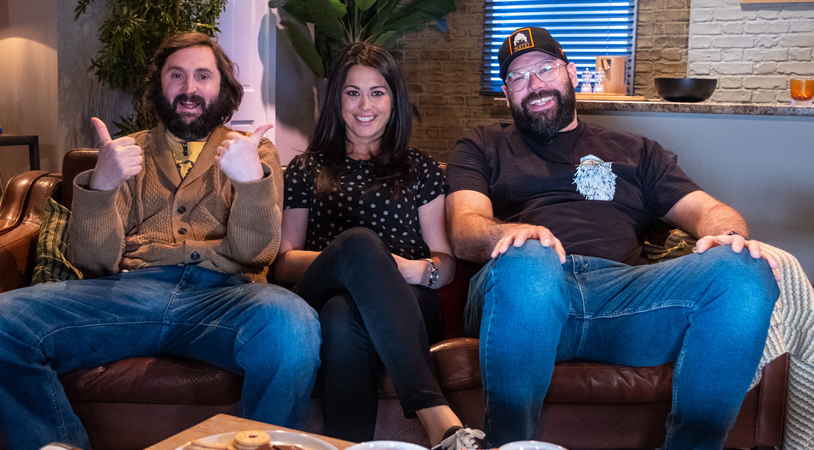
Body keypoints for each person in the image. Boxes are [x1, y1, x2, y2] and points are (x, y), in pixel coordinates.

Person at [0, 32, 321, 450]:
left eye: (203, 76)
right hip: (127, 295)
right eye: (176, 75)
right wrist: (102, 185)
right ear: (159, 86)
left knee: (293, 325)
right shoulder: (130, 151)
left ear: (223, 89)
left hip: (224, 300)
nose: (189, 88)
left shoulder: (255, 151)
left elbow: (256, 255)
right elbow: (94, 263)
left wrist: (250, 181)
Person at [445, 26, 781, 449]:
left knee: (746, 271)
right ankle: (510, 444)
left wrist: (727, 236)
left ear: (569, 72)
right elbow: (464, 227)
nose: (534, 85)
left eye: (545, 69)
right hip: (521, 292)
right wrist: (514, 234)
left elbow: (709, 210)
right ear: (507, 93)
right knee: (530, 258)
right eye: (517, 77)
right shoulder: (482, 144)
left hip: (625, 298)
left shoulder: (636, 150)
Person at [273, 42, 485, 450]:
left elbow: (446, 262)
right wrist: (352, 259)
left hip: (407, 302)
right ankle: (437, 418)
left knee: (342, 316)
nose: (364, 104)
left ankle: (345, 447)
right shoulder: (306, 167)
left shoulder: (419, 168)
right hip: (320, 290)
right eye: (352, 92)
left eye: (377, 92)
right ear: (337, 100)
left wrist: (407, 269)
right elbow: (284, 264)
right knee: (357, 247)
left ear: (393, 100)